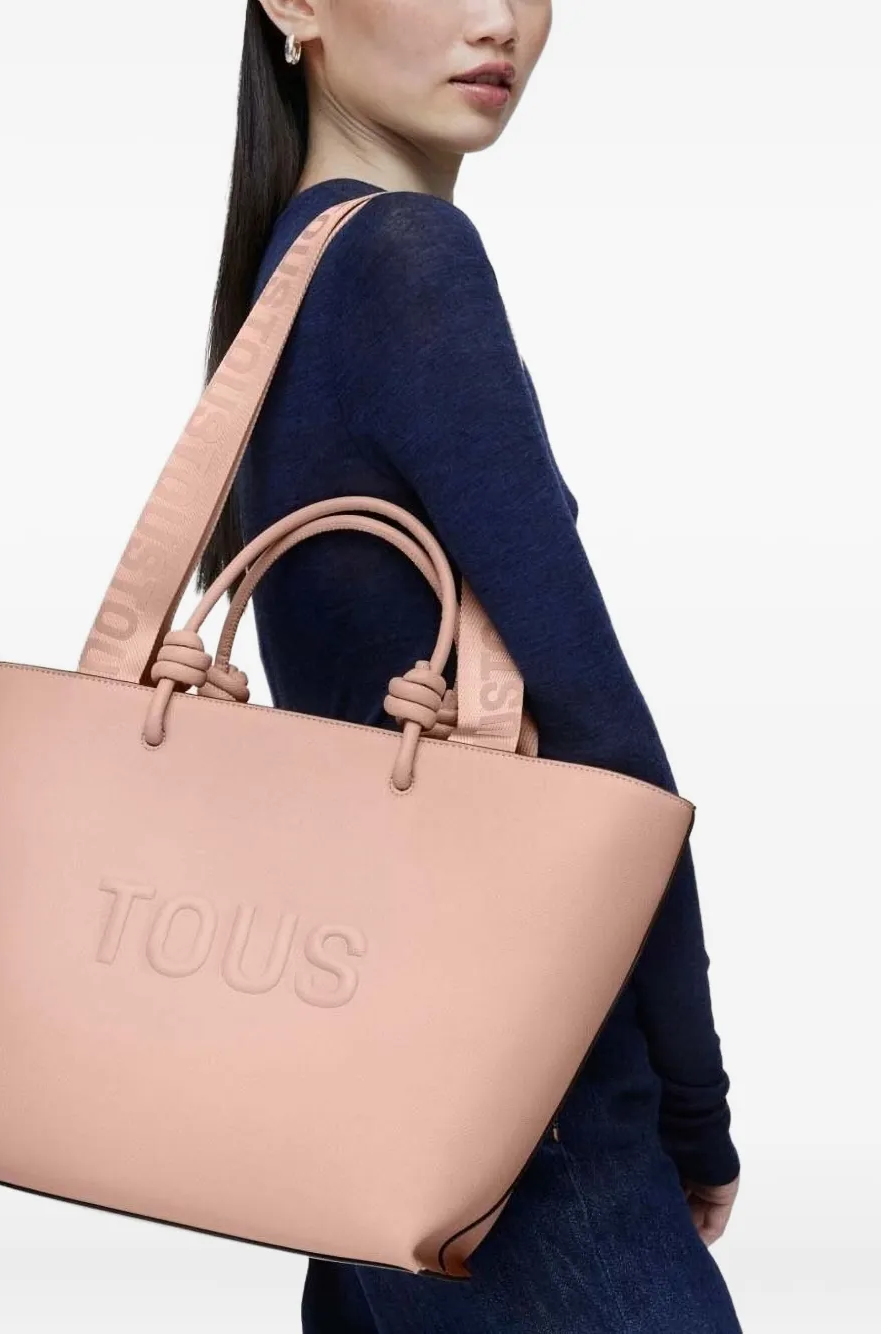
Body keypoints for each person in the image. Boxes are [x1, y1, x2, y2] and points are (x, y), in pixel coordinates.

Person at [196, 3, 744, 1331]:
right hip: (525, 1122)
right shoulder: (405, 261)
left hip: (362, 1110)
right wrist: (694, 1104)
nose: (498, 18)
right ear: (294, 7)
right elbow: (602, 747)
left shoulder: (288, 278)